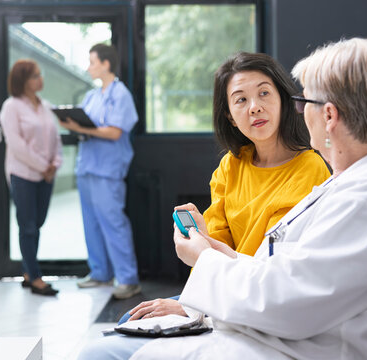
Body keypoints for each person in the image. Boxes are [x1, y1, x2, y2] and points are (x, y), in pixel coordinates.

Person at [84, 38, 367, 359]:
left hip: (276, 346)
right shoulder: (355, 187)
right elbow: (284, 273)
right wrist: (214, 252)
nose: (298, 111)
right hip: (257, 331)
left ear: (328, 115)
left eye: (302, 101)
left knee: (97, 354)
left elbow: (284, 303)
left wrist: (204, 260)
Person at [78, 51, 331, 358]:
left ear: (282, 99)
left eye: (264, 93)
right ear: (229, 115)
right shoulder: (231, 166)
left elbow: (272, 271)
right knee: (129, 320)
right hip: (220, 291)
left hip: (257, 304)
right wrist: (199, 241)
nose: (255, 107)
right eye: (240, 100)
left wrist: (191, 307)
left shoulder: (310, 168)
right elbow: (215, 246)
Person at [59, 44, 140, 299]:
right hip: (87, 167)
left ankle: (128, 279)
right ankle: (100, 273)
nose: (88, 67)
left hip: (108, 169)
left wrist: (83, 129)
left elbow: (114, 132)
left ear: (106, 64)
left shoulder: (121, 94)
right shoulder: (92, 96)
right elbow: (87, 124)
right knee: (91, 223)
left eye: (92, 62)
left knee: (113, 223)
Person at [0, 59, 62, 296]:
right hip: (23, 174)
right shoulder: (11, 107)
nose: (40, 79)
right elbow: (16, 145)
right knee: (27, 226)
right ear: (22, 81)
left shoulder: (45, 106)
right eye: (35, 76)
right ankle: (35, 278)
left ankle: (27, 272)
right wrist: (42, 166)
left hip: (46, 174)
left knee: (38, 222)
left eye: (40, 74)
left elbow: (56, 138)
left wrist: (54, 164)